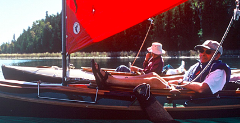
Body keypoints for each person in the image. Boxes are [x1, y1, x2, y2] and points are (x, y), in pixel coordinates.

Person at [92, 40, 231, 94]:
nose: (203, 54)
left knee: (154, 80)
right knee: (153, 76)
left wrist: (180, 83)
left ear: (217, 56)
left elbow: (203, 89)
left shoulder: (218, 70)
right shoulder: (198, 65)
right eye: (201, 50)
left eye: (207, 52)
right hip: (181, 88)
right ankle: (110, 79)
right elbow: (184, 77)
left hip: (189, 95)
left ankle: (109, 81)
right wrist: (171, 82)